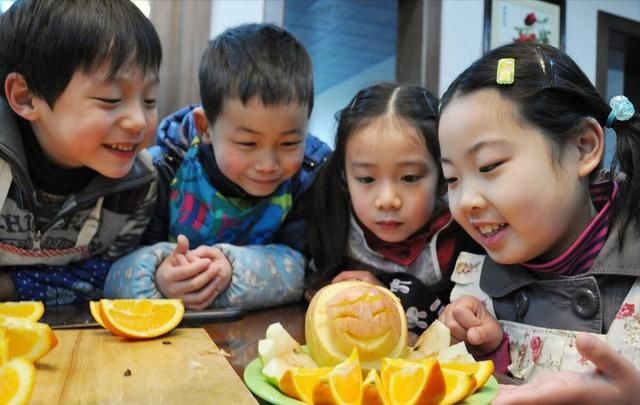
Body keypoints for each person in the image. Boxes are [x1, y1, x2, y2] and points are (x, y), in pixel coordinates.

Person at [437, 42, 640, 404]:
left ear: (583, 147)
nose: (466, 201)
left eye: (488, 166)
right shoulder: (472, 291)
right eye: (452, 179)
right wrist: (488, 354)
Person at [104, 23, 331, 310]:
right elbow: (113, 269)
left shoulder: (308, 178)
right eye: (248, 144)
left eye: (288, 144)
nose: (268, 164)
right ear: (205, 128)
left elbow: (311, 271)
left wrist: (233, 270)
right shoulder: (163, 170)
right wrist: (158, 279)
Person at [0, 0, 161, 305]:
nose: (139, 120)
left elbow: (105, 279)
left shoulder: (138, 185)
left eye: (149, 100)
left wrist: (11, 287)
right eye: (111, 99)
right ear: (26, 97)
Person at [306, 83, 477, 333]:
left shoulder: (464, 236)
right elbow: (310, 286)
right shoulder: (332, 222)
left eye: (409, 178)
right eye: (366, 179)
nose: (387, 200)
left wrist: (387, 296)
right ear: (345, 176)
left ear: (442, 177)